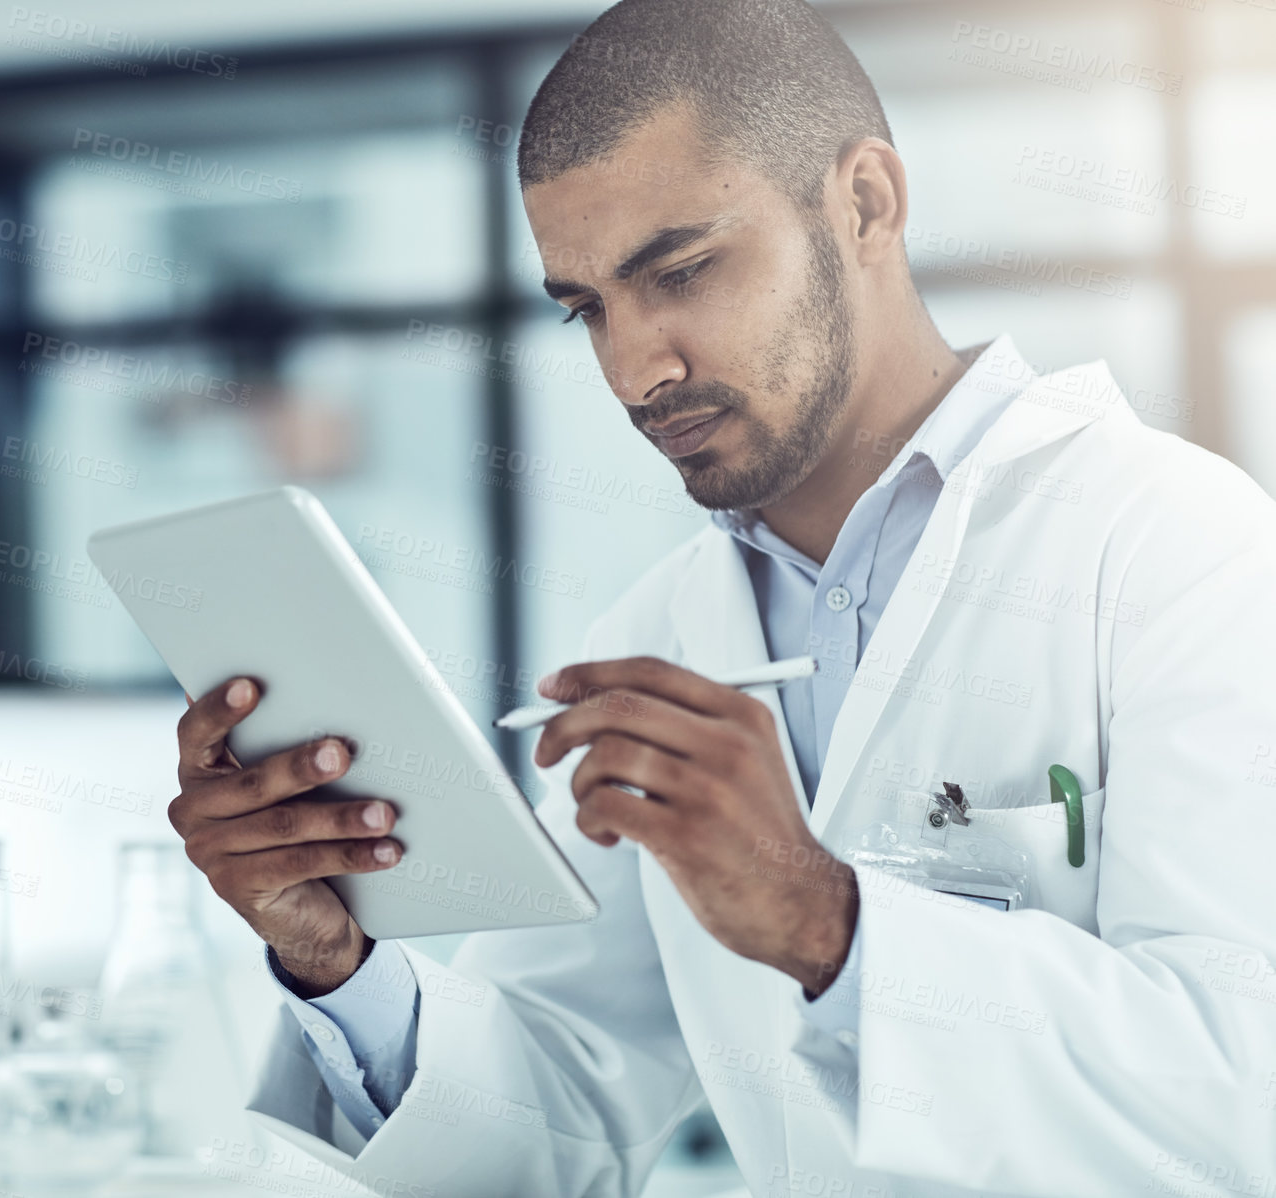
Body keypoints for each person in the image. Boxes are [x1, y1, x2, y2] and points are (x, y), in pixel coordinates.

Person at [169, 1, 1276, 1193]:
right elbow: (552, 1111)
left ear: (864, 204)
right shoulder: (656, 637)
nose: (635, 369)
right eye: (586, 307)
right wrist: (335, 962)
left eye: (684, 270)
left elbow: (1238, 1100)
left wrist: (825, 921)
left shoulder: (1178, 548)